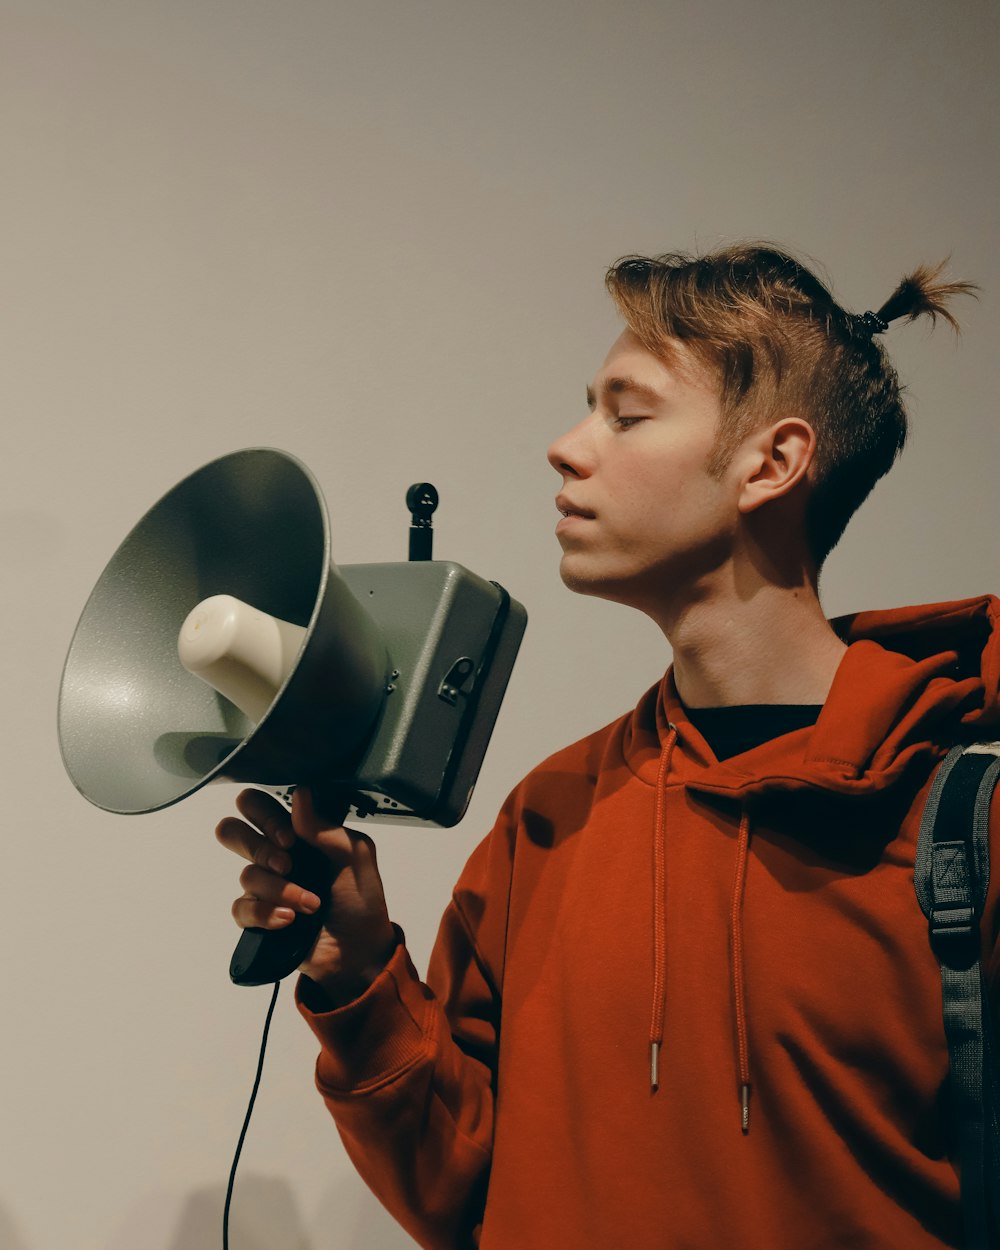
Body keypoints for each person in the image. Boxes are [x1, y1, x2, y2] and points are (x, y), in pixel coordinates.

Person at [215, 244, 997, 1249]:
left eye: (625, 414)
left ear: (773, 460)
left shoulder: (960, 819)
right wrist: (359, 969)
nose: (566, 446)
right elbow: (462, 1195)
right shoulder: (555, 811)